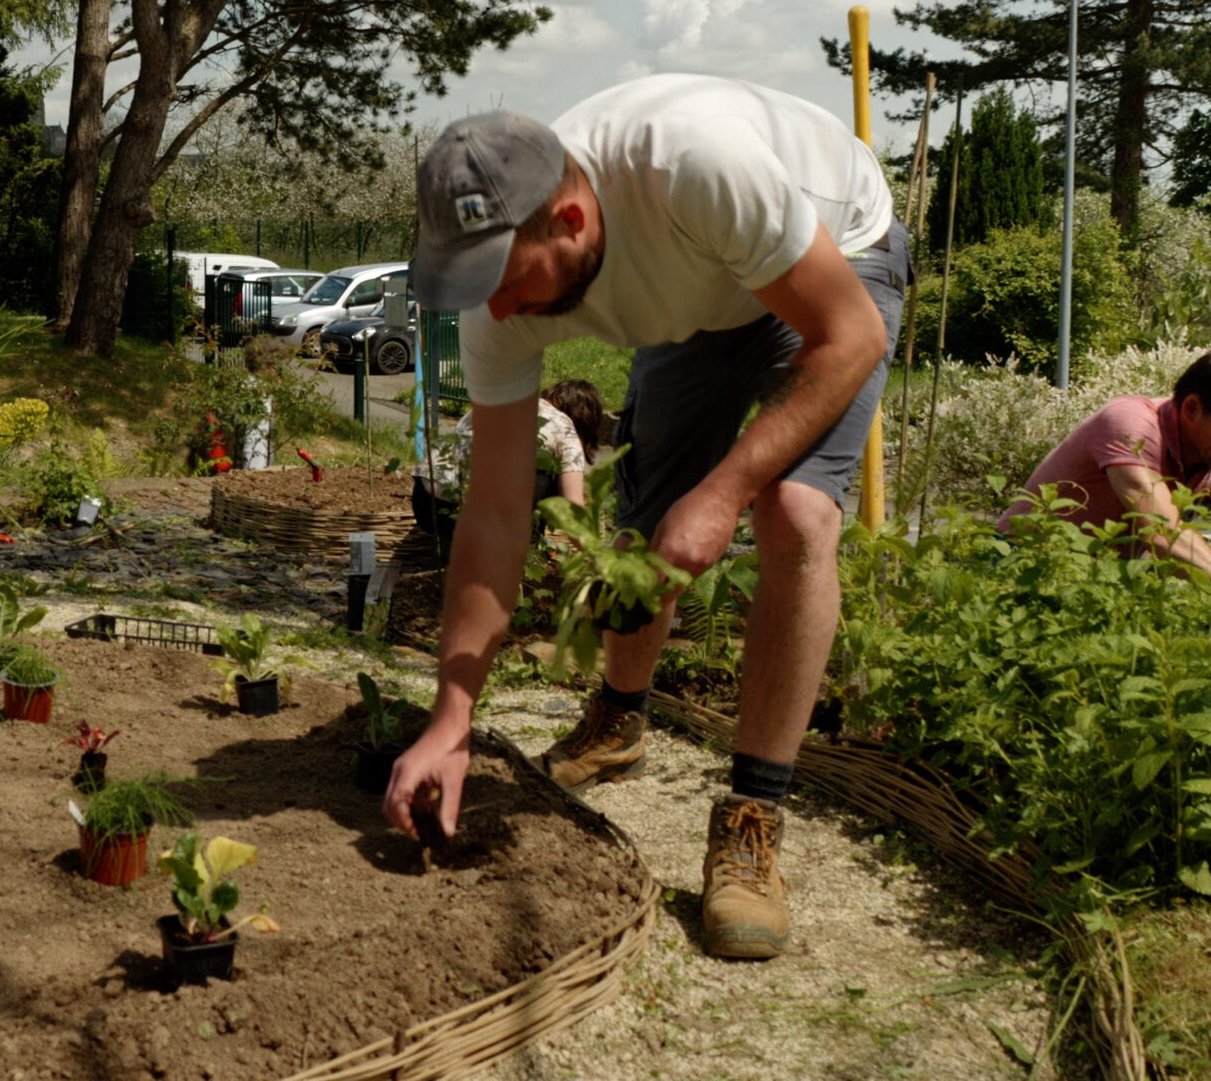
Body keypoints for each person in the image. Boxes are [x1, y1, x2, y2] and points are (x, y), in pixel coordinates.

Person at [383, 73, 910, 961]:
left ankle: (752, 820)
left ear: (574, 223)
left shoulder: (693, 166)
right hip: (702, 289)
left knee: (794, 514)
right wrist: (452, 716)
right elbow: (497, 511)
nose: (498, 309)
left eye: (506, 280)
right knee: (645, 524)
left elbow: (850, 337)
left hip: (833, 262)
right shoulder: (498, 294)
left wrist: (728, 487)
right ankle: (620, 717)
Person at [1001, 347, 1211, 605]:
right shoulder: (1130, 424)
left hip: (1099, 581)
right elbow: (1162, 533)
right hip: (1020, 564)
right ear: (1192, 409)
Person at [410, 378, 605, 548]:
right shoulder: (564, 427)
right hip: (481, 520)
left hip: (426, 506)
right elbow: (573, 511)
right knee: (554, 477)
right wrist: (600, 560)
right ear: (585, 420)